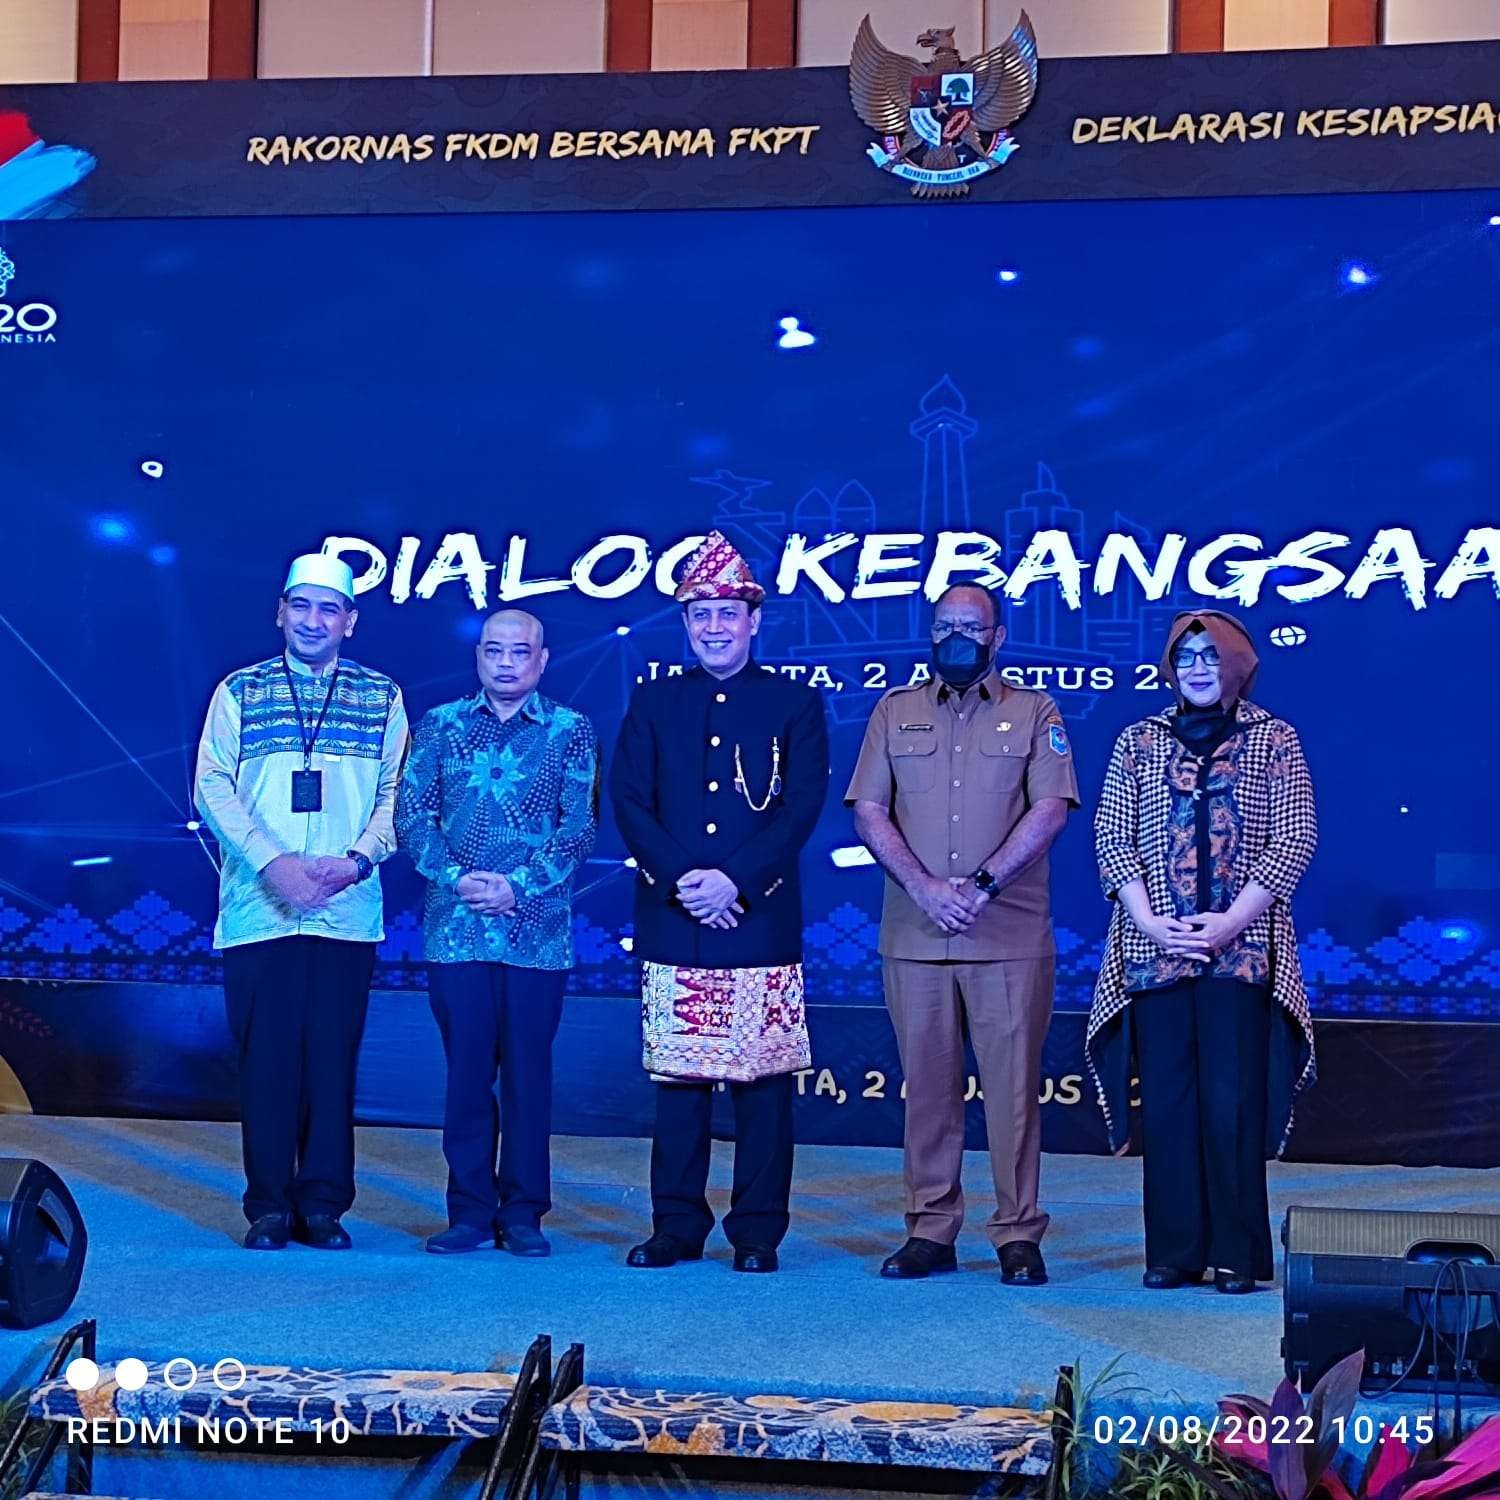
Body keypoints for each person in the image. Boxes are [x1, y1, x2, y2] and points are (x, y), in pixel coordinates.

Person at [609, 531, 828, 1274]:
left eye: (726, 614)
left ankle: (758, 1232)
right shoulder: (654, 701)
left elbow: (799, 807)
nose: (713, 627)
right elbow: (631, 802)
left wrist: (734, 881)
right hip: (676, 919)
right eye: (699, 614)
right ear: (686, 622)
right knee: (680, 1084)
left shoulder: (794, 703)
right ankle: (676, 1225)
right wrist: (685, 883)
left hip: (757, 916)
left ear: (753, 619)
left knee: (762, 1086)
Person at [846, 584, 1076, 1286]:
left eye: (970, 627)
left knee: (1010, 1093)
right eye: (943, 625)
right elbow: (869, 811)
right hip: (916, 934)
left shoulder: (1034, 712)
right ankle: (930, 1228)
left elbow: (1050, 810)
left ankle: (1016, 1233)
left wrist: (979, 887)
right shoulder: (895, 711)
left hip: (1004, 933)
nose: (955, 638)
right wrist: (924, 888)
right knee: (929, 1090)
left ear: (998, 637)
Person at [1085, 610, 1317, 1294]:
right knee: (1169, 1100)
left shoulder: (1274, 738)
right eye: (1185, 658)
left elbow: (1294, 838)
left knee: (1230, 1100)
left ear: (1237, 666)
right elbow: (1111, 837)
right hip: (1155, 947)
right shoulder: (1138, 740)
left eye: (1210, 658)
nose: (1196, 669)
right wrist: (1150, 922)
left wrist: (1229, 922)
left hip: (1240, 950)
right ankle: (1173, 1252)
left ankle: (1237, 1255)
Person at [194, 553, 407, 1251]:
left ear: (350, 621)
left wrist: (354, 862)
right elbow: (211, 787)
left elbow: (396, 796)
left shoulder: (382, 695)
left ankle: (323, 1205)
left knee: (331, 1058)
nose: (314, 621)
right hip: (263, 907)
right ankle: (267, 1206)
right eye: (302, 607)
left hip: (345, 908)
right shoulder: (241, 690)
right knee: (268, 1059)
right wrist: (274, 863)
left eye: (329, 610)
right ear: (280, 612)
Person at [395, 609, 599, 1257]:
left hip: (535, 934)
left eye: (520, 652)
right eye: (494, 650)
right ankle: (469, 1210)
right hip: (456, 930)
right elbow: (412, 815)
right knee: (466, 1075)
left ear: (542, 660)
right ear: (478, 656)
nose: (506, 662)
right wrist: (457, 878)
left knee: (528, 1078)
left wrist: (520, 886)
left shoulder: (570, 731)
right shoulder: (441, 726)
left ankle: (524, 1213)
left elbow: (580, 826)